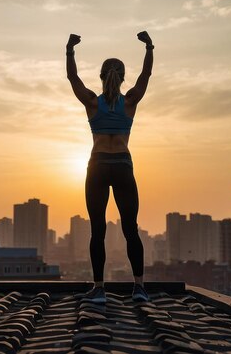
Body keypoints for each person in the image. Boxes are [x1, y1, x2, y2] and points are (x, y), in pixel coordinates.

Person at [65, 31, 154, 303]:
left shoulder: (93, 102)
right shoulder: (130, 102)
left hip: (98, 166)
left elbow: (72, 78)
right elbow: (146, 76)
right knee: (130, 230)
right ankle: (139, 288)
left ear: (102, 77)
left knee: (98, 231)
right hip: (123, 167)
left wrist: (70, 50)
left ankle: (100, 289)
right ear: (123, 77)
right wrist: (149, 47)